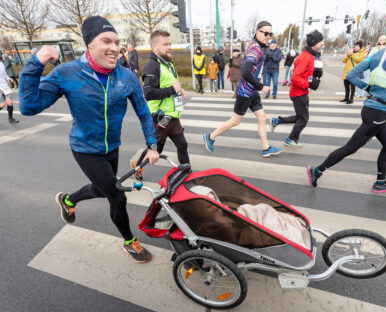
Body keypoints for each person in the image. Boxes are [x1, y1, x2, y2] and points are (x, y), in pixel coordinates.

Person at [19, 16, 160, 263]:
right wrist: (35, 64)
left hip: (112, 147)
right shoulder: (67, 73)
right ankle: (129, 241)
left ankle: (68, 199)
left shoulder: (126, 77)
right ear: (89, 45)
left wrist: (152, 145)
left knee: (100, 188)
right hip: (85, 149)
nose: (114, 48)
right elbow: (29, 106)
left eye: (117, 42)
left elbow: (143, 112)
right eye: (106, 40)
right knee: (117, 195)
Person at [307, 16, 386, 193]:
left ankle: (380, 182)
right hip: (378, 112)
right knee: (351, 147)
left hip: (375, 109)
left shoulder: (378, 53)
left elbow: (352, 75)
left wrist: (368, 87)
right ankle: (317, 171)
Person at [203, 21, 283, 158]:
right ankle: (210, 137)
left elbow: (253, 70)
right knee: (236, 120)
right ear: (257, 32)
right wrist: (261, 87)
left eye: (270, 33)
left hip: (252, 91)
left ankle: (266, 148)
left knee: (262, 118)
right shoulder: (254, 49)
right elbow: (245, 72)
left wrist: (258, 85)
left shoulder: (259, 47)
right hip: (245, 91)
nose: (268, 36)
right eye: (266, 33)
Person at [137, 30, 190, 169]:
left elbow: (171, 83)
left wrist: (179, 90)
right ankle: (137, 167)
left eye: (170, 44)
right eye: (165, 44)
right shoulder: (151, 66)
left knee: (182, 145)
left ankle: (187, 174)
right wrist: (173, 90)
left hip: (172, 115)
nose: (169, 47)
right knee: (156, 150)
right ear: (154, 47)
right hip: (160, 116)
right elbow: (148, 93)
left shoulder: (168, 63)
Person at [270, 30, 324, 147]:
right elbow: (295, 78)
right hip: (299, 93)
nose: (322, 44)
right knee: (304, 119)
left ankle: (277, 121)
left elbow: (303, 73)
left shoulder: (308, 56)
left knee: (300, 117)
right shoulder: (306, 57)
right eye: (321, 42)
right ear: (315, 43)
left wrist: (315, 74)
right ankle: (291, 139)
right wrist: (309, 84)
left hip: (300, 92)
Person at [0, 55, 18, 123]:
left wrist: (9, 78)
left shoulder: (1, 64)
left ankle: (10, 118)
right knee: (2, 104)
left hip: (4, 86)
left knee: (10, 102)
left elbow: (4, 74)